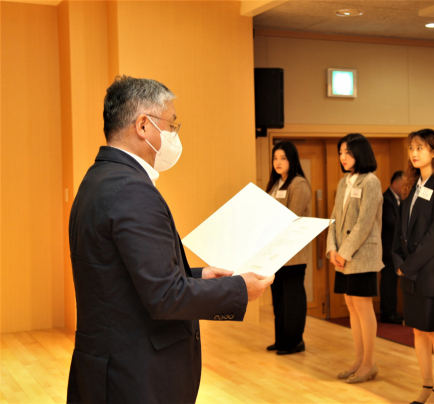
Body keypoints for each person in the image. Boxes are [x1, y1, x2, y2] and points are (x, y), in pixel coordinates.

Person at [67, 76, 273, 404]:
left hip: (107, 365)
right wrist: (240, 290)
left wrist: (198, 275)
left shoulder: (98, 179)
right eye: (171, 124)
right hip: (137, 374)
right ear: (144, 126)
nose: (173, 135)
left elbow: (126, 275)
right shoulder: (132, 190)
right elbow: (164, 295)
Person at [393, 129, 434, 404]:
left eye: (420, 148)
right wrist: (398, 261)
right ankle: (427, 385)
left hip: (431, 274)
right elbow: (398, 233)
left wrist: (408, 266)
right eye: (411, 148)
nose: (414, 153)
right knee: (418, 330)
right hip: (409, 272)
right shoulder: (410, 187)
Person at [326, 133, 384, 384]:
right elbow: (335, 217)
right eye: (341, 152)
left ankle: (369, 363)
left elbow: (364, 222)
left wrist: (344, 252)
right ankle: (359, 360)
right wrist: (331, 249)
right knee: (351, 305)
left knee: (363, 306)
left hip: (362, 255)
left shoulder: (371, 181)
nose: (343, 157)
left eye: (348, 152)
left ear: (361, 153)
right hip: (342, 256)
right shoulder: (343, 182)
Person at [265, 141, 312, 355]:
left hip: (293, 254)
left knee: (292, 299)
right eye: (275, 158)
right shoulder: (276, 184)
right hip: (276, 254)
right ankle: (282, 339)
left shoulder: (298, 183)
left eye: (283, 158)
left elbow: (292, 217)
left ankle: (294, 342)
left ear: (292, 160)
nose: (278, 162)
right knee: (279, 298)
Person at [380, 170, 406, 324]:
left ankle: (393, 311)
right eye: (403, 185)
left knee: (393, 282)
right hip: (387, 248)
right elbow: (390, 222)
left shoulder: (401, 199)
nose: (405, 188)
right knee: (388, 282)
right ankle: (387, 312)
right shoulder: (386, 199)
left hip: (395, 250)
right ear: (395, 184)